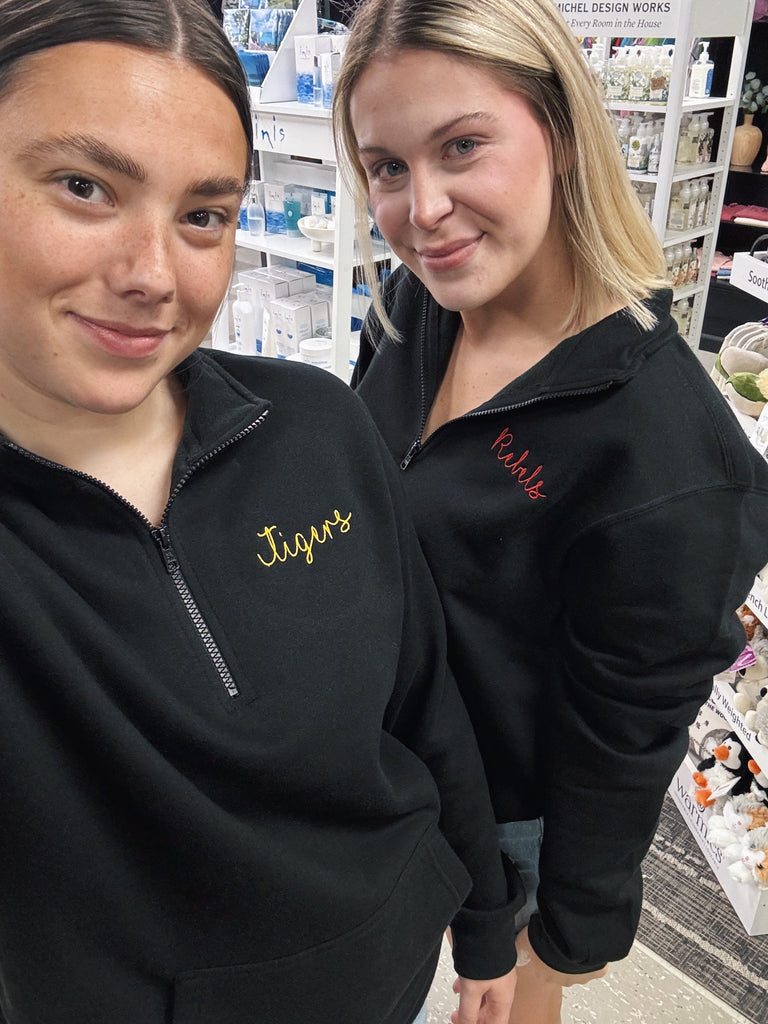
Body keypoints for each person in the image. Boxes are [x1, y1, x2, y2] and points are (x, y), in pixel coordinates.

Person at [0, 2, 522, 1022]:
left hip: (402, 972)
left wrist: (487, 919)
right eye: (84, 187)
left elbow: (424, 700)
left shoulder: (316, 425)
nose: (151, 276)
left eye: (204, 214)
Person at [332, 0, 768, 1020]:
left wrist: (569, 928)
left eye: (462, 145)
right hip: (384, 764)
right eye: (387, 166)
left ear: (563, 132)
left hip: (507, 817)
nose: (422, 209)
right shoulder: (416, 308)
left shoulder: (668, 450)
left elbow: (625, 733)